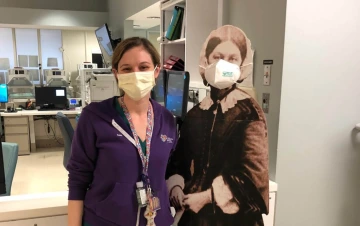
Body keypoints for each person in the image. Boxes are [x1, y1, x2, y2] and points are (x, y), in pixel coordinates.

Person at [166, 25, 269, 226]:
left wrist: (206, 197)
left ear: (242, 65)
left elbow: (253, 177)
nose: (224, 64)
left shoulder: (249, 113)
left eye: (233, 59)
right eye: (218, 57)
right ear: (206, 61)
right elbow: (179, 161)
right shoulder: (195, 114)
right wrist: (176, 187)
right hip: (195, 217)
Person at [67, 37, 177, 226]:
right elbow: (78, 181)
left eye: (143, 67)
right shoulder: (94, 117)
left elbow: (168, 174)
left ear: (156, 71)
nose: (135, 74)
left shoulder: (167, 120)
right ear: (116, 73)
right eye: (127, 69)